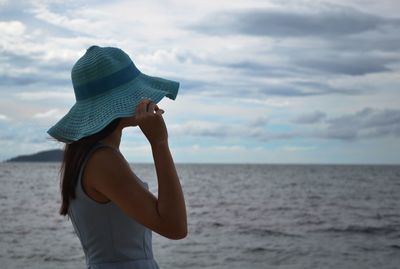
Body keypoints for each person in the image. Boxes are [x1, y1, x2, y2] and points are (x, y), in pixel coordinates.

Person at [47, 45, 187, 269]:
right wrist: (159, 143)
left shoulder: (89, 155)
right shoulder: (103, 161)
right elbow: (175, 226)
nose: (143, 98)